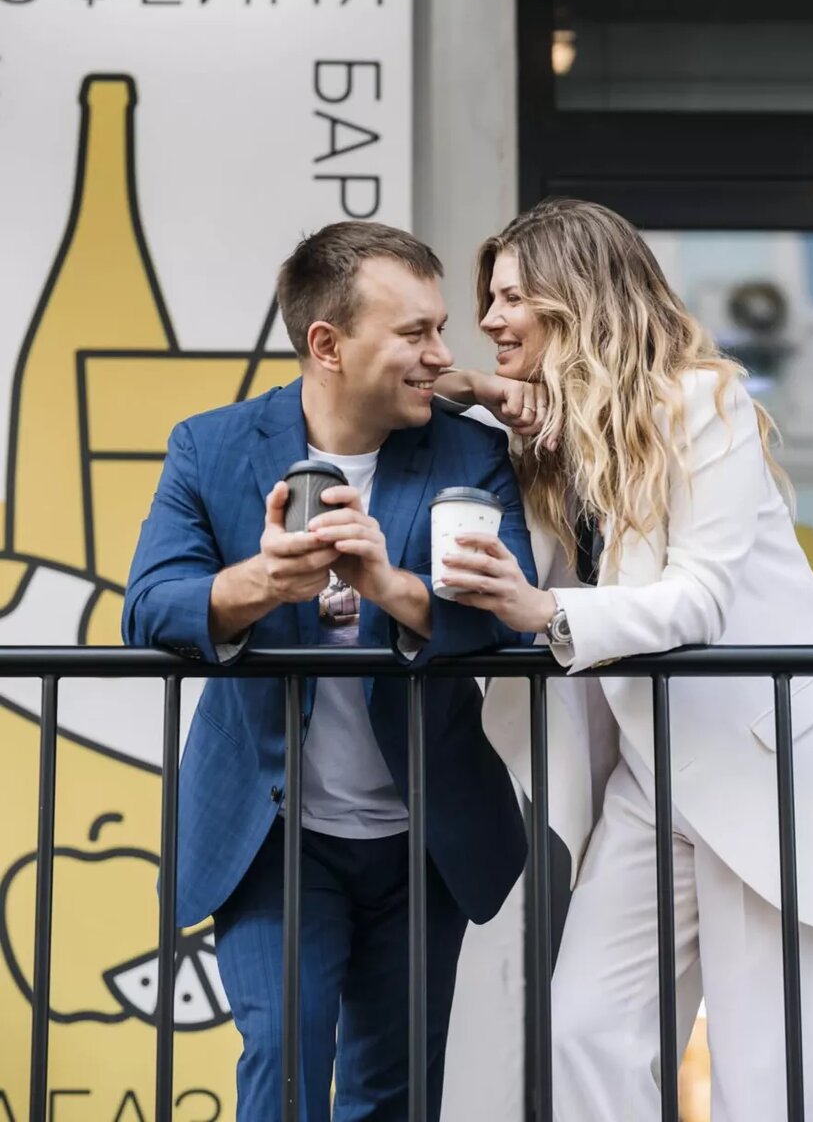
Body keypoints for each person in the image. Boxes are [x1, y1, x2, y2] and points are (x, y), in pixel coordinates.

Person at [433, 198, 813, 1122]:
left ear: (577, 296)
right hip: (653, 782)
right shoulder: (552, 438)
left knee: (776, 1078)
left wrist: (543, 610)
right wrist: (485, 393)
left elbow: (699, 597)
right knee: (585, 1030)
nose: (488, 319)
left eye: (511, 297)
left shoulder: (702, 400)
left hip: (764, 769)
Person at [122, 221, 537, 1122]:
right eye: (415, 332)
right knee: (284, 1058)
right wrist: (263, 583)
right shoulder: (211, 446)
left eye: (440, 329)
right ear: (327, 344)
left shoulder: (470, 453)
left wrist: (390, 585)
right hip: (273, 833)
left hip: (424, 832)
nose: (443, 355)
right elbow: (150, 605)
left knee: (396, 1089)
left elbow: (511, 611)